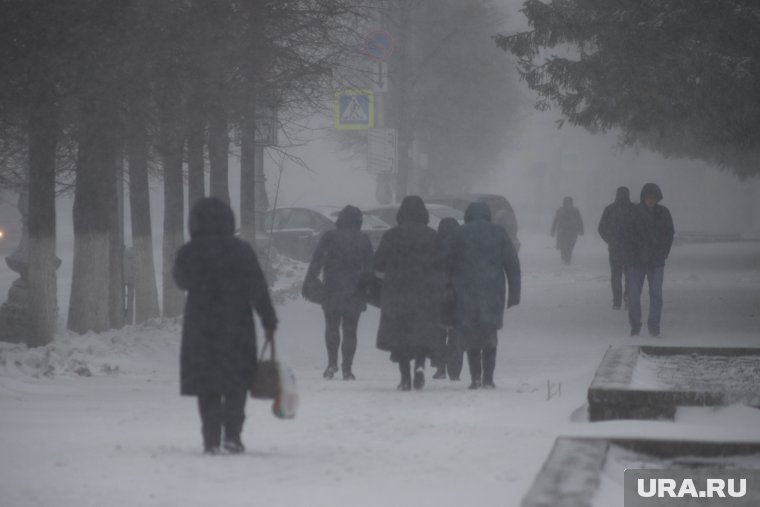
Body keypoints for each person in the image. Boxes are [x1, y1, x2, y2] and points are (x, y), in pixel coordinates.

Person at [172, 197, 277, 455]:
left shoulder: (190, 251)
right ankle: (232, 435)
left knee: (206, 384)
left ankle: (210, 439)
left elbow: (182, 281)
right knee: (236, 383)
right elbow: (257, 287)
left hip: (201, 325)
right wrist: (268, 320)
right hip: (236, 324)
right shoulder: (241, 250)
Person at [449, 202, 520, 389]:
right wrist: (514, 294)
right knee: (489, 333)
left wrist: (446, 290)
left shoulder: (459, 233)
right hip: (493, 291)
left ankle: (475, 378)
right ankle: (489, 377)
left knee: (471, 333)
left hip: (466, 291)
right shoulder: (499, 233)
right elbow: (512, 265)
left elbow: (447, 263)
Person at [374, 196, 441, 391]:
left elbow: (378, 263)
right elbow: (442, 264)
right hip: (424, 292)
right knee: (420, 332)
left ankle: (404, 377)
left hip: (397, 292)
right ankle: (420, 365)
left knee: (400, 335)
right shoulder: (432, 236)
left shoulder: (391, 235)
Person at [304, 205, 374, 381]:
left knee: (332, 327)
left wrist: (309, 281)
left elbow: (316, 261)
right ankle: (347, 369)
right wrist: (368, 288)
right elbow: (370, 268)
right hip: (355, 291)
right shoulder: (363, 239)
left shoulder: (329, 237)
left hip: (332, 289)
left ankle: (331, 363)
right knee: (350, 330)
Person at [622, 183, 674, 337]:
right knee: (633, 295)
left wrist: (663, 252)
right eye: (648, 197)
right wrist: (630, 253)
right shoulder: (633, 212)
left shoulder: (663, 213)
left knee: (656, 294)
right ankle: (635, 324)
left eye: (654, 197)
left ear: (657, 198)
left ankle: (654, 324)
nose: (651, 200)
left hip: (656, 261)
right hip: (636, 261)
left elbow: (669, 234)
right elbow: (626, 234)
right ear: (644, 197)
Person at [432, 217, 463, 381]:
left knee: (438, 332)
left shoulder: (435, 246)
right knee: (456, 334)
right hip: (458, 295)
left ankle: (440, 367)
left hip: (438, 294)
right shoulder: (462, 246)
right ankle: (455, 370)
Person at [598, 187, 634, 309]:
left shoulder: (609, 209)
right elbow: (641, 228)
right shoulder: (634, 209)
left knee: (616, 275)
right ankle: (628, 296)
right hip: (631, 248)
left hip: (615, 248)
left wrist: (610, 240)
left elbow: (601, 228)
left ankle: (617, 301)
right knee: (630, 275)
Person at [551, 196, 584, 264]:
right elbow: (555, 221)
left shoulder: (575, 211)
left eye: (569, 202)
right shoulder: (560, 210)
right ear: (564, 203)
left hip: (572, 233)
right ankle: (564, 259)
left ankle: (567, 259)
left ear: (571, 203)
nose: (568, 204)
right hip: (562, 232)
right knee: (563, 247)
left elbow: (579, 220)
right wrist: (553, 231)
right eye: (566, 202)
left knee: (570, 247)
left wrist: (581, 229)